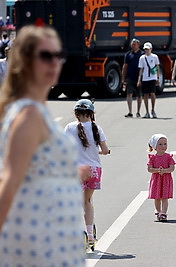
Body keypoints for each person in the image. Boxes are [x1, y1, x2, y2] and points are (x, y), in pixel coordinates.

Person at [0, 25, 86, 266]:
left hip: (51, 245)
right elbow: (9, 181)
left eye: (58, 55)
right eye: (45, 56)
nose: (54, 62)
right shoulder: (28, 114)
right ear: (24, 62)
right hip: (35, 246)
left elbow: (32, 168)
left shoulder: (36, 109)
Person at [64, 99, 109, 245]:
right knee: (87, 201)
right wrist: (103, 152)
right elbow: (105, 149)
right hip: (94, 170)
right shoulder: (97, 128)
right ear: (91, 113)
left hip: (76, 170)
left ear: (76, 114)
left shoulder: (69, 128)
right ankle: (90, 235)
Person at [147, 134, 175, 221]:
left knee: (165, 197)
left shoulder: (168, 157)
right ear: (155, 146)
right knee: (157, 197)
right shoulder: (153, 158)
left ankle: (163, 212)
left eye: (165, 144)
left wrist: (165, 171)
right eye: (160, 144)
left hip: (166, 179)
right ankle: (158, 211)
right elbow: (149, 169)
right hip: (156, 179)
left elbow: (172, 168)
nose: (163, 146)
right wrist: (157, 170)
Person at [122, 38, 144, 118]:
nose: (133, 45)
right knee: (129, 93)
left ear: (138, 45)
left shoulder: (142, 54)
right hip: (130, 77)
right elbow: (125, 66)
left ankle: (138, 111)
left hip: (139, 77)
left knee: (139, 95)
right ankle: (130, 112)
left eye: (134, 44)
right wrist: (123, 77)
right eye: (132, 44)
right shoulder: (128, 54)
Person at [138, 42, 160, 118]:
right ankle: (147, 111)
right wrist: (139, 80)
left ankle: (153, 110)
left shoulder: (154, 57)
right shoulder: (142, 58)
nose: (146, 51)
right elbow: (141, 69)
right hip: (145, 78)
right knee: (145, 95)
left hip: (152, 78)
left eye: (147, 49)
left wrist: (157, 77)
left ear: (151, 49)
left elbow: (157, 67)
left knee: (153, 93)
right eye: (145, 49)